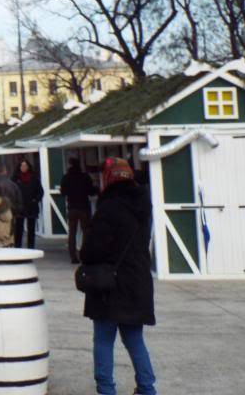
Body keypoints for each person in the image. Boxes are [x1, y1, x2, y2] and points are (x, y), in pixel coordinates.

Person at [80, 158, 156, 395]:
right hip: (137, 281)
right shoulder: (144, 206)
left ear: (108, 179)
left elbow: (92, 250)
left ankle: (106, 389)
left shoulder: (109, 207)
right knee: (134, 339)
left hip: (109, 285)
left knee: (103, 339)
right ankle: (147, 388)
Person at [60, 157, 98, 263]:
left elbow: (63, 192)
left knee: (72, 233)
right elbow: (91, 191)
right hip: (84, 207)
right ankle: (84, 254)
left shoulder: (66, 177)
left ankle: (73, 256)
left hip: (72, 207)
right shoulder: (85, 177)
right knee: (86, 232)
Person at [12, 158, 44, 248]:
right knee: (18, 229)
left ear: (28, 167)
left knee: (31, 229)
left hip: (31, 206)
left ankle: (31, 247)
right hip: (19, 207)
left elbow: (40, 191)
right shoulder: (15, 178)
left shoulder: (34, 178)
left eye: (25, 165)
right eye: (22, 165)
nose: (24, 167)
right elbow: (12, 191)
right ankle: (17, 247)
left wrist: (35, 200)